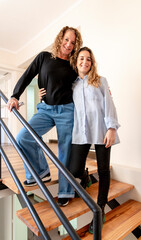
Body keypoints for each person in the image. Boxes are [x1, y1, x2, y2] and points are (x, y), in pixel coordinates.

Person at [7, 26, 83, 207]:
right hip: (45, 109)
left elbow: (85, 82)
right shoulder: (44, 57)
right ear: (60, 38)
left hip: (67, 111)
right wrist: (15, 96)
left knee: (65, 152)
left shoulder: (73, 65)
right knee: (24, 137)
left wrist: (102, 88)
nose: (68, 44)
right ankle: (40, 172)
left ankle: (65, 192)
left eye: (72, 43)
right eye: (66, 40)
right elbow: (26, 76)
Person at [70, 47, 120, 233]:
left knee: (104, 170)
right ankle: (86, 177)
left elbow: (109, 104)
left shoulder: (100, 81)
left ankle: (99, 210)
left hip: (101, 130)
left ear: (92, 63)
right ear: (76, 62)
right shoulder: (72, 85)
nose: (85, 62)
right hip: (80, 132)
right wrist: (44, 97)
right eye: (81, 58)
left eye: (89, 59)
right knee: (74, 169)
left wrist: (111, 128)